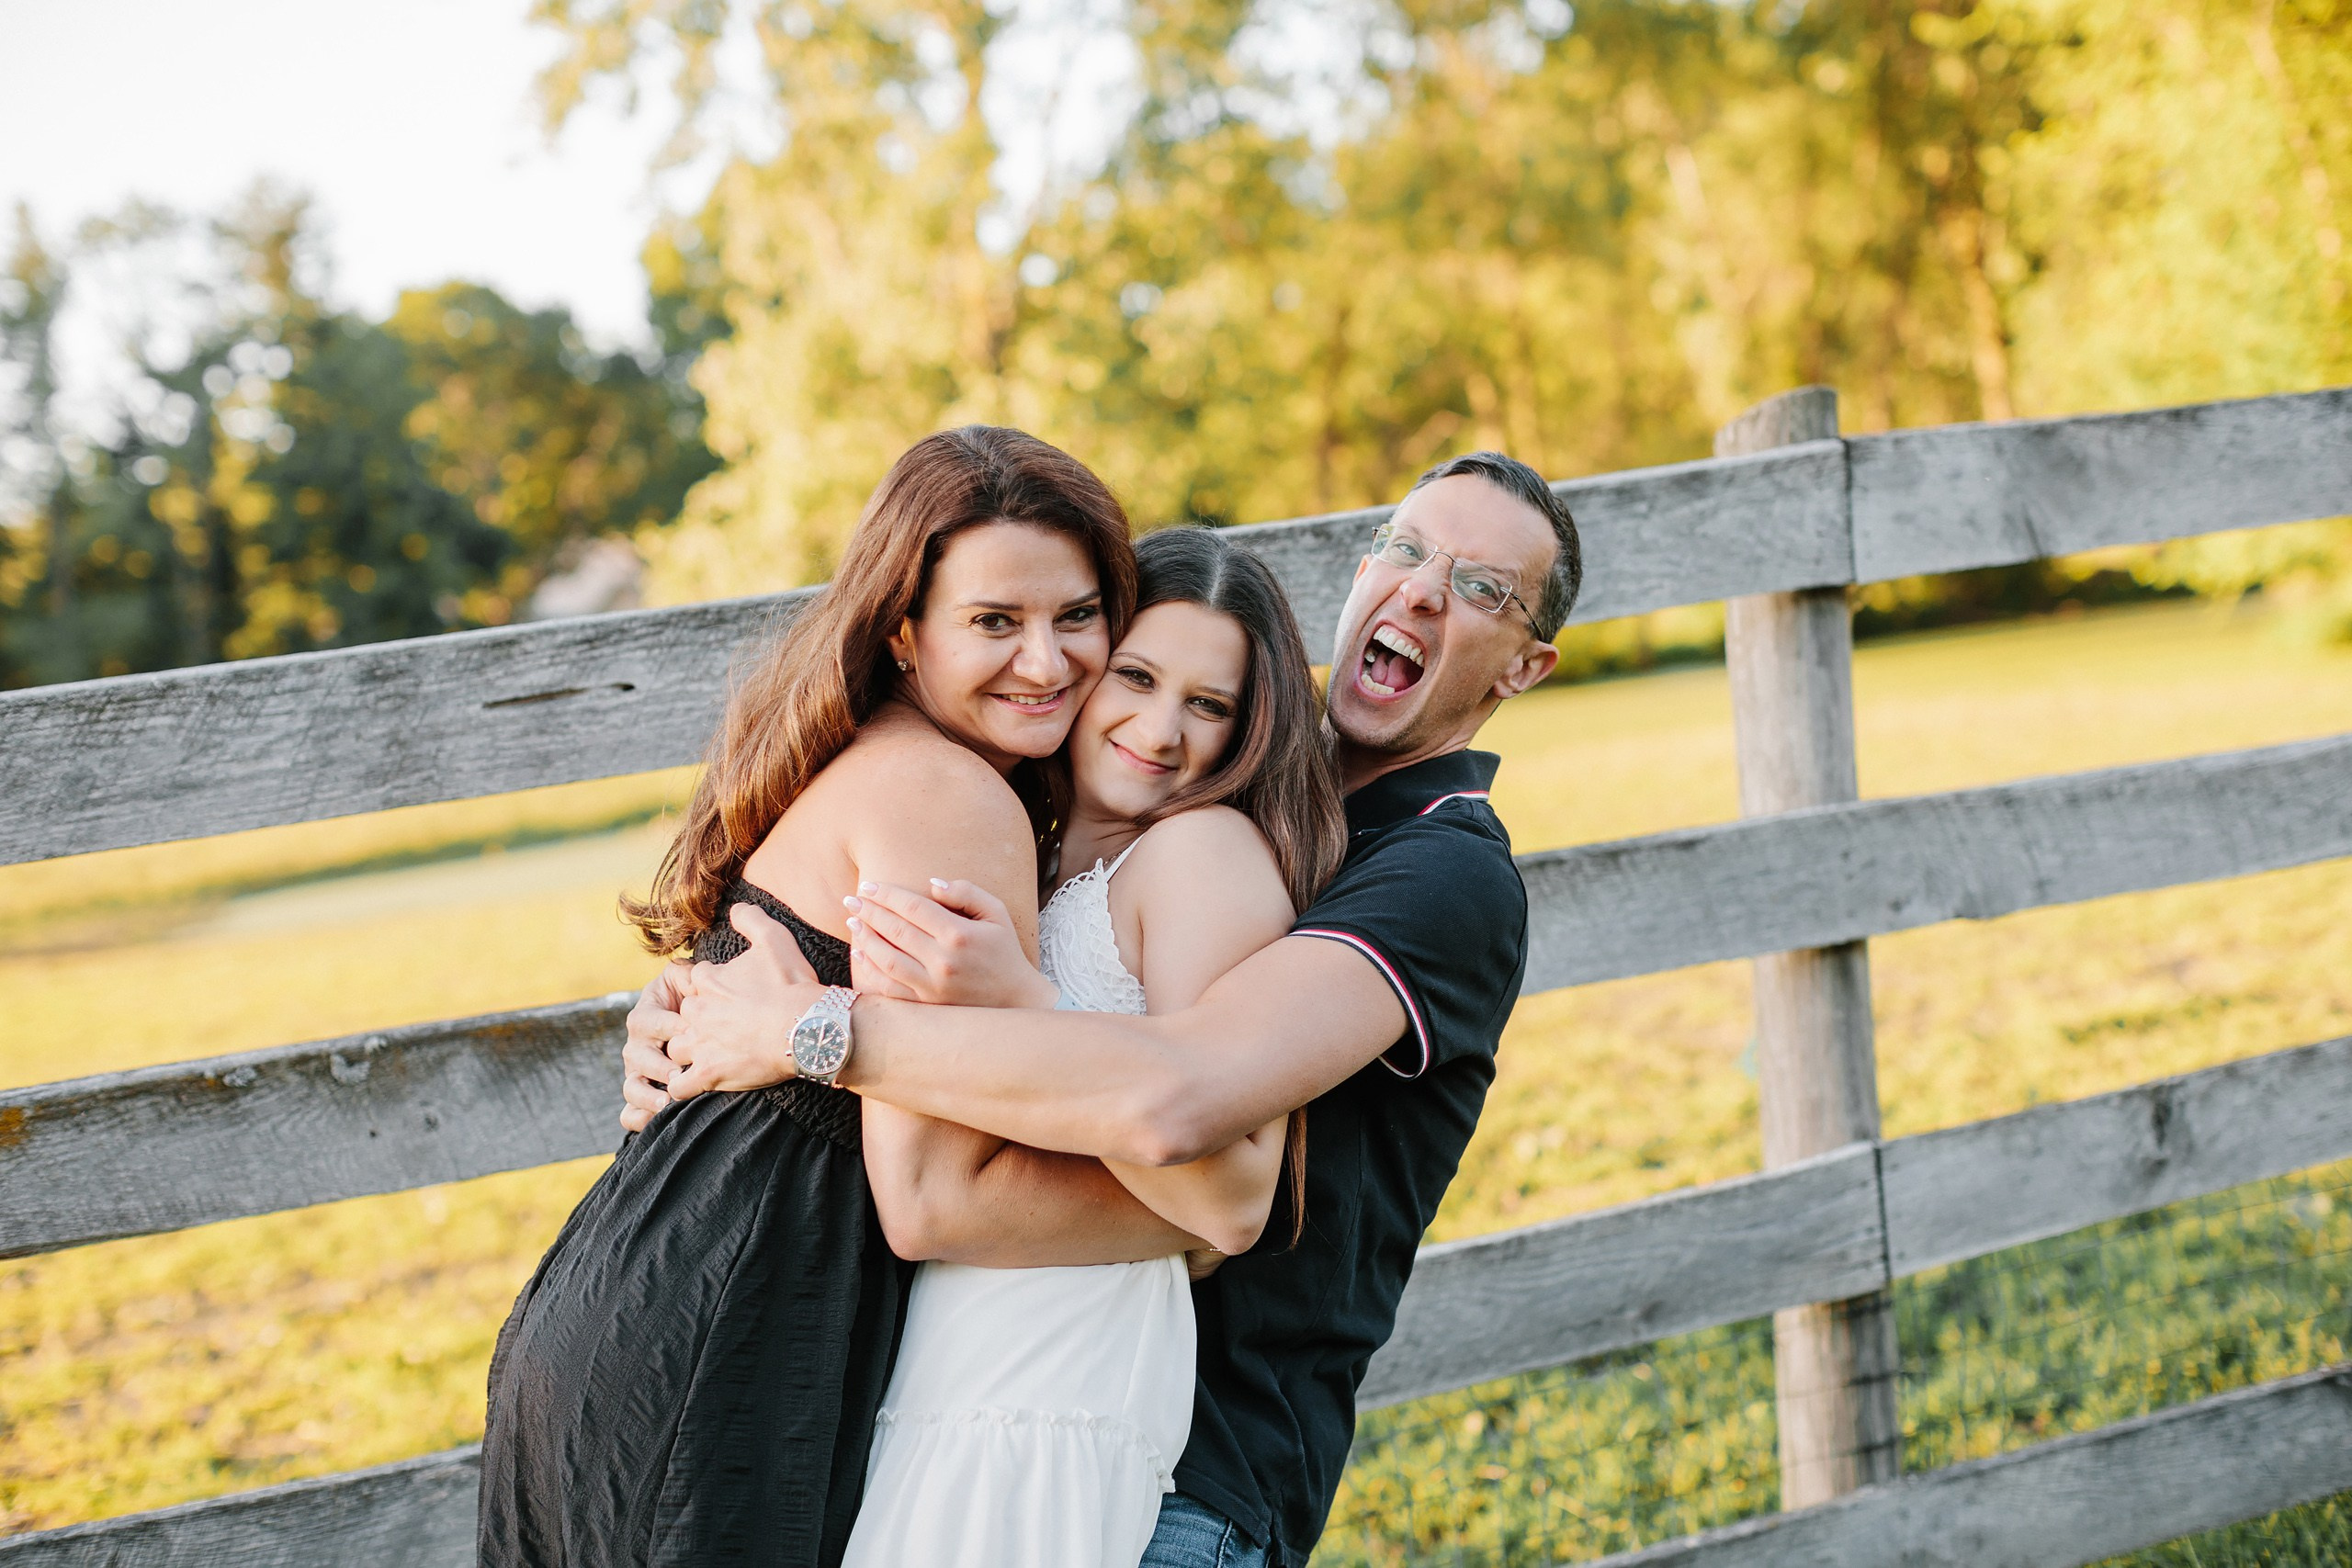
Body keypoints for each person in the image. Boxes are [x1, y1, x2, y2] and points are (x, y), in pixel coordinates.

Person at [629, 451, 1583, 1568]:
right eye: (1409, 549)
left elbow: (1188, 1111)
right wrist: (701, 1002)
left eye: (1481, 588)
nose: (1422, 590)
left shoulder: (1441, 872)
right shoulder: (1206, 807)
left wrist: (811, 1031)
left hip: (1209, 1460)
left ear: (1525, 666)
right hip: (968, 1380)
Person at [481, 424, 1201, 1568]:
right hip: (727, 1322)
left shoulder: (873, 754)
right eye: (994, 622)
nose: (1048, 661)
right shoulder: (949, 797)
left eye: (1076, 616)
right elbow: (933, 1199)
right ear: (905, 632)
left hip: (646, 1297)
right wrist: (1207, 1219)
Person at [838, 525, 1345, 1568]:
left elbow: (1229, 1194)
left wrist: (1023, 1000)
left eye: (1208, 706)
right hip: (961, 1341)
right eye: (1136, 677)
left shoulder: (1202, 855)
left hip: (1065, 1351)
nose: (1160, 731)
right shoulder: (1030, 849)